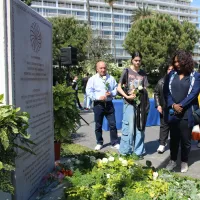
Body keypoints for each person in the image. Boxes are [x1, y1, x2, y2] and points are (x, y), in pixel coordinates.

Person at [164, 50, 200, 173]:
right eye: (175, 62)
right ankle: (173, 160)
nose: (177, 64)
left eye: (179, 61)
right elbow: (166, 92)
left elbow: (194, 93)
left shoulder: (195, 76)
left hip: (187, 112)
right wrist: (173, 105)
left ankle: (184, 161)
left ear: (186, 61)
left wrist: (181, 105)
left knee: (186, 140)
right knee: (174, 138)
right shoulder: (171, 75)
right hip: (173, 112)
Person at [117, 52, 149, 159]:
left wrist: (141, 92)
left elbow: (145, 88)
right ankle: (125, 151)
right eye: (136, 60)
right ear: (132, 60)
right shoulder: (126, 71)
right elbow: (119, 87)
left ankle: (138, 152)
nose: (138, 62)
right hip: (129, 104)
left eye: (139, 60)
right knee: (128, 129)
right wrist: (127, 95)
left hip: (140, 105)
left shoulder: (143, 74)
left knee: (139, 128)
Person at [86, 61, 119, 150]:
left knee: (113, 124)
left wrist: (111, 93)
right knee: (98, 125)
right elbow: (88, 91)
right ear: (97, 69)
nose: (103, 70)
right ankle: (99, 142)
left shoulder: (111, 78)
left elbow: (116, 89)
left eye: (104, 68)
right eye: (101, 68)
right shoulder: (92, 79)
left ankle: (114, 142)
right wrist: (97, 97)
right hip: (98, 105)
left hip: (109, 104)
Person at [154, 65, 173, 153]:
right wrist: (158, 105)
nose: (170, 71)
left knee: (175, 127)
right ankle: (162, 144)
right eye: (169, 69)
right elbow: (156, 93)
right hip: (164, 107)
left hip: (175, 108)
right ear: (166, 71)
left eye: (172, 69)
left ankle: (174, 144)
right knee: (164, 126)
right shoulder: (161, 81)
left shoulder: (178, 81)